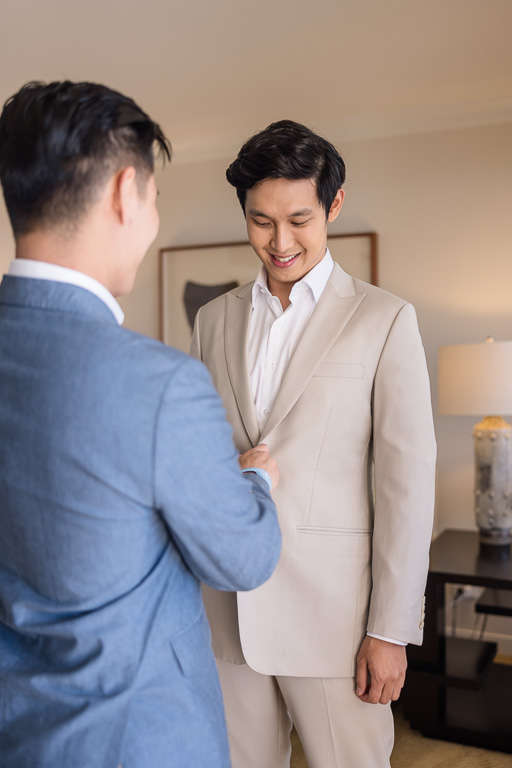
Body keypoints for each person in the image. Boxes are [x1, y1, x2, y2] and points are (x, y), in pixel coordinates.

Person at [0, 81, 282, 768]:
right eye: (156, 199)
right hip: (140, 741)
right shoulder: (158, 383)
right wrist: (258, 486)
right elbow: (241, 558)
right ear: (127, 192)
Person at [191, 119, 437, 768]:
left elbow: (405, 489)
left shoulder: (385, 321)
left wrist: (390, 631)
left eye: (299, 219)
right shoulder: (211, 322)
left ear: (334, 204)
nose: (280, 242)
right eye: (261, 221)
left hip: (336, 624)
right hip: (227, 616)